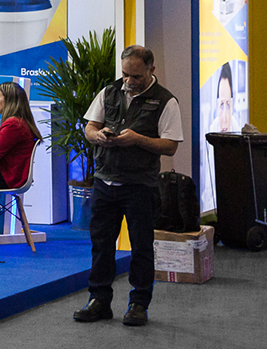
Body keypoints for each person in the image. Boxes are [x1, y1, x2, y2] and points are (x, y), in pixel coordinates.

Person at [73, 45, 183, 328]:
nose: (129, 81)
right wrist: (99, 135)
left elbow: (170, 146)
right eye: (125, 75)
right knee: (101, 245)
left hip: (140, 186)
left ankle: (139, 303)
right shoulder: (108, 92)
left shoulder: (166, 101)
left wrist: (138, 139)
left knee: (141, 247)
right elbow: (89, 127)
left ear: (151, 70)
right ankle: (99, 300)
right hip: (104, 181)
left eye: (136, 76)